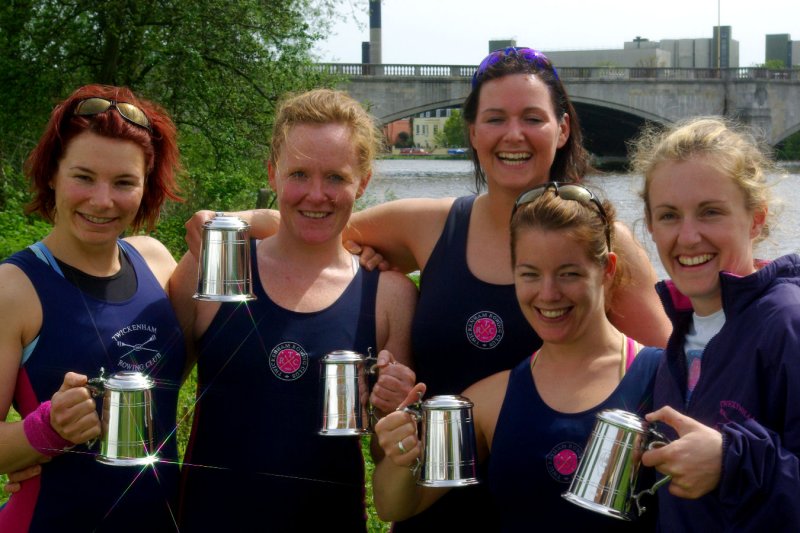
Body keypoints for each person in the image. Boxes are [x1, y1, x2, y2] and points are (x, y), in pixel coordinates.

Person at [184, 46, 671, 530]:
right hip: (430, 503)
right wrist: (239, 223)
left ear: (562, 129)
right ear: (474, 132)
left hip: (552, 505)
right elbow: (322, 221)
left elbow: (669, 378)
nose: (514, 134)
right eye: (496, 118)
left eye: (533, 118)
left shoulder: (607, 245)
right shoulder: (430, 225)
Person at [170, 88, 417, 532]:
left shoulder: (389, 296)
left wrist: (393, 411)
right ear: (273, 173)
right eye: (299, 174)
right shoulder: (216, 267)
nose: (316, 195)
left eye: (337, 178)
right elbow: (155, 394)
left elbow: (389, 457)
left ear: (363, 182)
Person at [372, 182, 661, 531]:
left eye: (569, 273)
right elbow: (395, 505)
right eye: (530, 274)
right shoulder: (492, 401)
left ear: (608, 269)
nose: (549, 293)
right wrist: (402, 456)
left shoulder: (661, 378)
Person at [0, 84, 185, 531]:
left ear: (146, 188)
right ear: (52, 175)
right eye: (83, 177)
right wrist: (45, 432)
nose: (103, 201)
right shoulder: (14, 288)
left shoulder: (157, 263)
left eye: (124, 182)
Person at [630, 116, 800, 531]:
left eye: (710, 212)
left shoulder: (787, 324)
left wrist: (731, 460)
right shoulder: (684, 329)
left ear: (756, 219)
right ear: (650, 225)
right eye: (669, 216)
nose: (688, 238)